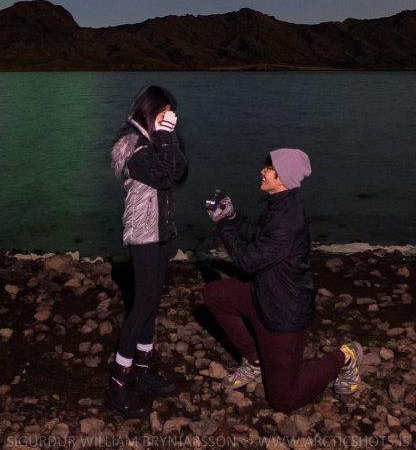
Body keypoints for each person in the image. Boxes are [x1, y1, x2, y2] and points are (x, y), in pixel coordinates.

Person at [203, 148, 363, 413]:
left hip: (284, 314)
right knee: (214, 295)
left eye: (269, 168)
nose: (262, 171)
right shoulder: (280, 204)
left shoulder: (286, 221)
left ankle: (346, 355)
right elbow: (256, 234)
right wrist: (232, 216)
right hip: (263, 295)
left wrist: (221, 224)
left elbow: (245, 261)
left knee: (283, 402)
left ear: (282, 178)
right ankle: (254, 361)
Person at [106, 85, 188, 418]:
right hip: (143, 233)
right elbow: (164, 175)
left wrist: (170, 138)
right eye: (163, 113)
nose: (167, 119)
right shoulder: (130, 145)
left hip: (162, 231)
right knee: (141, 306)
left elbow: (181, 171)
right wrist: (167, 140)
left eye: (170, 114)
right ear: (149, 110)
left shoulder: (158, 139)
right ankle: (118, 383)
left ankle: (142, 368)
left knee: (153, 301)